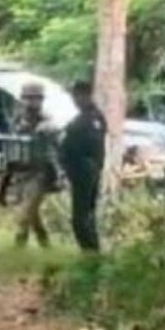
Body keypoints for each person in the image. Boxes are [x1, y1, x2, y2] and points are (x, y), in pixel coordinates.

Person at [12, 82, 62, 248]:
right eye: (27, 98)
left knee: (26, 208)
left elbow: (57, 147)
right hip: (21, 170)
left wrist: (59, 174)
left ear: (41, 100)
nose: (30, 102)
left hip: (40, 172)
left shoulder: (47, 121)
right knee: (31, 212)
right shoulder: (18, 118)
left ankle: (19, 246)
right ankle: (44, 242)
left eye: (34, 98)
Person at [61, 80, 107, 253]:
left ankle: (90, 252)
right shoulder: (92, 117)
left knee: (80, 218)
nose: (74, 100)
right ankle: (91, 252)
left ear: (86, 95)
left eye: (77, 96)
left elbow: (88, 146)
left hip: (84, 171)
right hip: (85, 170)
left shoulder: (89, 119)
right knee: (86, 214)